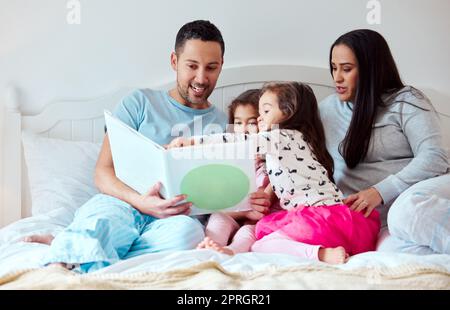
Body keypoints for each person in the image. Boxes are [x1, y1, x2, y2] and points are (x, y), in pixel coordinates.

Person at [23, 20, 272, 273]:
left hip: (177, 219)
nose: (201, 78)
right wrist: (141, 202)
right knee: (106, 221)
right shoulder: (139, 103)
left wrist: (247, 204)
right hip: (123, 203)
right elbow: (103, 172)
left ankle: (81, 248)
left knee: (187, 237)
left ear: (220, 67)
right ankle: (64, 259)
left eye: (211, 67)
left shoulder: (225, 124)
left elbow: (220, 197)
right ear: (174, 61)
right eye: (192, 66)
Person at [169, 82, 381, 264]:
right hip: (338, 221)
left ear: (287, 112)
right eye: (259, 114)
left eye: (265, 112)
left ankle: (321, 254)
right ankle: (215, 247)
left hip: (316, 220)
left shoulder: (281, 138)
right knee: (242, 230)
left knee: (261, 245)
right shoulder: (300, 141)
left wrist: (192, 142)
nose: (261, 119)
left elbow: (238, 143)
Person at [319, 29, 450, 254]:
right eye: (334, 67)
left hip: (422, 197)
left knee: (406, 211)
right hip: (384, 224)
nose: (337, 77)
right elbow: (295, 152)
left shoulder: (406, 101)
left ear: (371, 69)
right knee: (395, 259)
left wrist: (379, 191)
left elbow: (435, 157)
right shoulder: (326, 110)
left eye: (347, 69)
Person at [195, 89, 280, 255]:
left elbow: (265, 205)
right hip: (237, 213)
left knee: (247, 233)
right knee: (218, 219)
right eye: (238, 123)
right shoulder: (230, 160)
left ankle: (231, 251)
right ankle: (210, 246)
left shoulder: (274, 160)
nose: (244, 129)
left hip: (262, 219)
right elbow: (221, 204)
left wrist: (250, 211)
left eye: (252, 122)